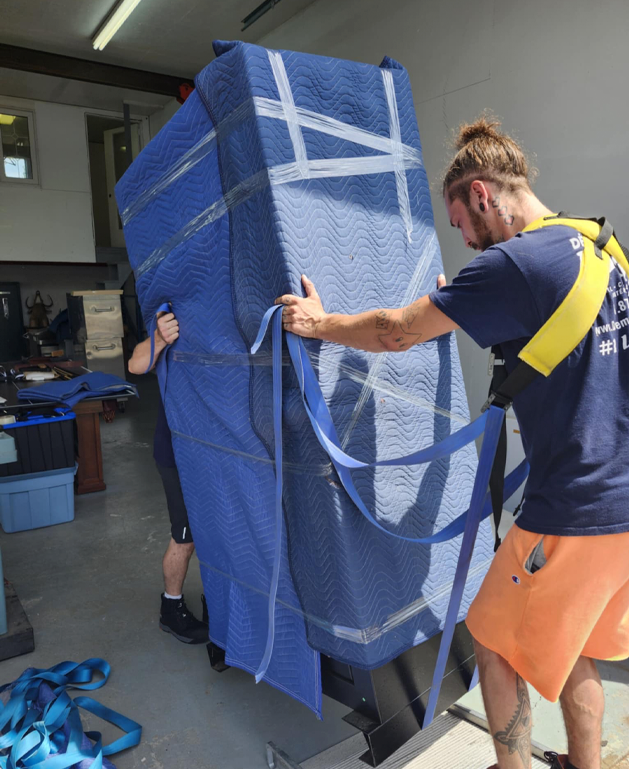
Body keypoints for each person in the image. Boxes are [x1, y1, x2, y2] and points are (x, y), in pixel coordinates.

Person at [276, 116, 629, 769]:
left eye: (461, 221)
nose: (462, 238)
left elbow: (394, 331)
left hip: (572, 508)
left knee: (491, 640)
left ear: (480, 194)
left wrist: (317, 323)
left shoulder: (511, 263)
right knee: (574, 647)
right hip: (622, 509)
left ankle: (510, 766)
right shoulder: (598, 247)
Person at [128, 311, 208, 644]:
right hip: (177, 453)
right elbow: (135, 364)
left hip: (214, 456)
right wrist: (160, 338)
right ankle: (170, 609)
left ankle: (220, 602)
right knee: (185, 536)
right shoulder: (172, 320)